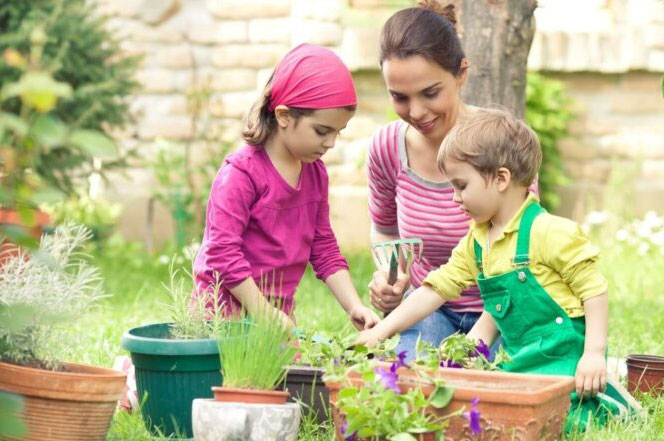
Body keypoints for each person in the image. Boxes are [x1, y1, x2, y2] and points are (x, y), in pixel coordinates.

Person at [358, 109, 634, 430]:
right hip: (519, 361)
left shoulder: (549, 231)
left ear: (501, 179)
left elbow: (594, 290)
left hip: (565, 360)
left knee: (561, 422)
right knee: (493, 417)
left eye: (461, 186)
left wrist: (594, 354)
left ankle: (611, 395)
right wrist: (381, 332)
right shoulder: (477, 241)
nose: (454, 198)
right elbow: (438, 292)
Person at [366, 0, 538, 356]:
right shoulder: (387, 148)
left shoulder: (501, 142)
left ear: (461, 73)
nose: (416, 112)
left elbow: (525, 252)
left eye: (430, 93)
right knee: (411, 382)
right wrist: (390, 277)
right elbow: (385, 229)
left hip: (503, 308)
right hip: (430, 307)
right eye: (399, 97)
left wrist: (477, 344)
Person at [192, 43, 379, 332]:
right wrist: (262, 311)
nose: (330, 143)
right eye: (322, 131)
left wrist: (354, 305)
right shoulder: (240, 175)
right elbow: (221, 253)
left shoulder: (315, 173)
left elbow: (323, 246)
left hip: (275, 318)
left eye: (337, 133)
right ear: (283, 116)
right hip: (220, 318)